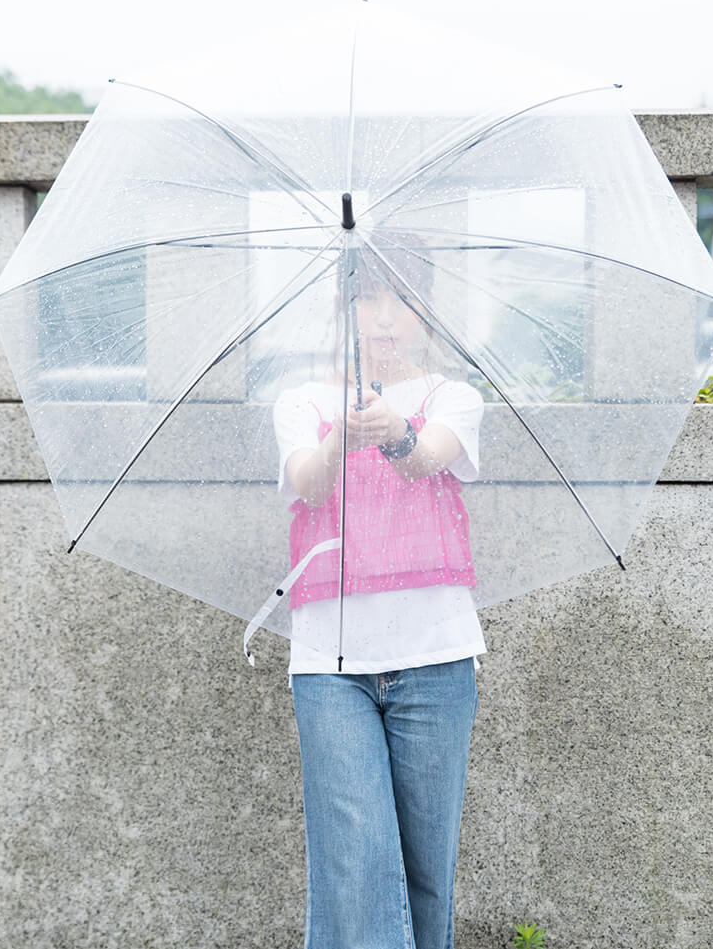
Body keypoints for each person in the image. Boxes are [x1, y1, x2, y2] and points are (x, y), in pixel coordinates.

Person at [272, 261, 485, 949]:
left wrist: (394, 432)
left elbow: (427, 459)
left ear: (425, 309)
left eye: (402, 299)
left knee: (426, 875)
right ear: (343, 307)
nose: (386, 317)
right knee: (356, 863)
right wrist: (344, 434)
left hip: (437, 656)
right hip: (330, 664)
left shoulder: (456, 396)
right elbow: (307, 483)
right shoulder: (300, 400)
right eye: (369, 298)